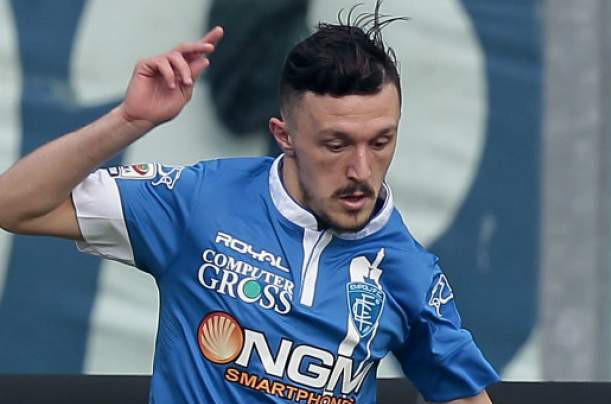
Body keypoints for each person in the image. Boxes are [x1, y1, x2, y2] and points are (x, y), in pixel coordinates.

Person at [0, 3, 499, 403]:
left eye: (381, 141)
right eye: (336, 144)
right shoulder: (199, 200)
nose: (361, 169)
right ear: (284, 136)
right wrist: (130, 121)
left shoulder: (408, 270)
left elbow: (462, 395)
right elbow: (14, 205)